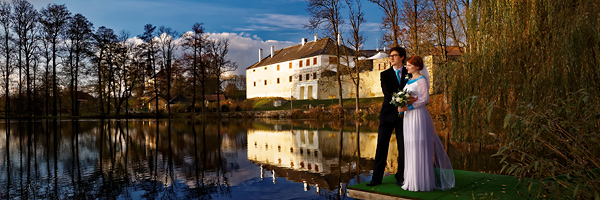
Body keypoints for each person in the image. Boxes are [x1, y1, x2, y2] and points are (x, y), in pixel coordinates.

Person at [397, 55, 455, 191]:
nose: (407, 67)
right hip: (408, 117)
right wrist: (400, 105)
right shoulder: (409, 80)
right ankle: (411, 180)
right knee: (410, 144)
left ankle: (421, 182)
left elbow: (424, 99)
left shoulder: (421, 80)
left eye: (409, 65)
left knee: (419, 144)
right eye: (406, 65)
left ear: (417, 66)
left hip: (417, 115)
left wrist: (408, 107)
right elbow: (405, 96)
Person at [366, 46, 412, 186]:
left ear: (402, 57)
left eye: (394, 55)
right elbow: (387, 93)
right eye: (390, 55)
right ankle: (376, 179)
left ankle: (400, 176)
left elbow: (411, 90)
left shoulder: (408, 73)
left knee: (403, 147)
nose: (391, 58)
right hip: (387, 115)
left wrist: (404, 103)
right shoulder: (384, 74)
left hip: (403, 115)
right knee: (381, 146)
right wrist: (402, 99)